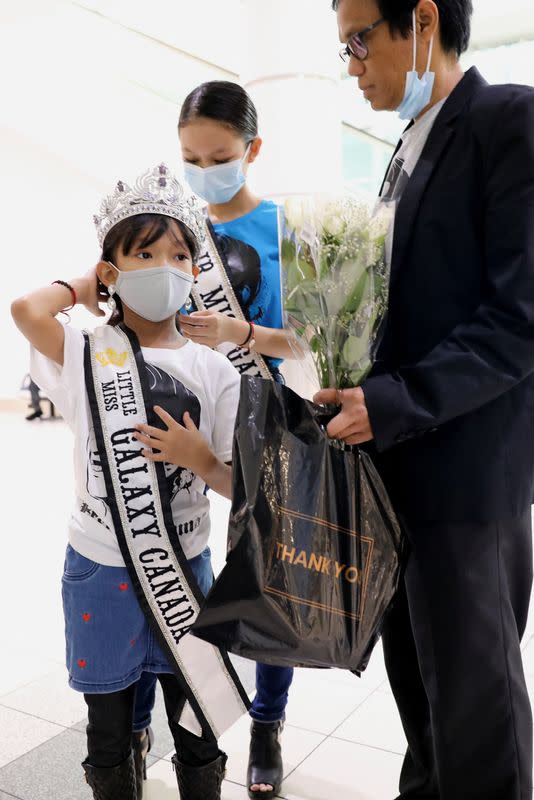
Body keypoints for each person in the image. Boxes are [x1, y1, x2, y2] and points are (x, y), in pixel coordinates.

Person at [315, 1, 534, 798]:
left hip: (468, 485)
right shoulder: (403, 150)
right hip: (400, 481)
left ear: (424, 18)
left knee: (480, 722)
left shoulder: (509, 120)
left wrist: (394, 401)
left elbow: (520, 319)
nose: (353, 64)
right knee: (425, 703)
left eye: (358, 40)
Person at [11, 164, 251, 800]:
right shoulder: (90, 350)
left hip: (184, 567)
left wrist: (200, 461)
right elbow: (25, 309)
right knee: (109, 725)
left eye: (178, 254)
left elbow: (237, 485)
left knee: (197, 721)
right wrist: (83, 285)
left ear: (196, 271)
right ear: (111, 271)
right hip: (99, 566)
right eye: (144, 253)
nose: (165, 267)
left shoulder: (214, 368)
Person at [131, 80, 296, 800]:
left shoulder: (286, 229)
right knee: (172, 562)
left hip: (269, 417)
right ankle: (146, 717)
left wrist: (242, 333)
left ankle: (266, 723)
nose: (204, 168)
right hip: (186, 417)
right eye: (190, 156)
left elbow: (311, 335)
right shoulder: (176, 228)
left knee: (269, 579)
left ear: (251, 150)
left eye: (219, 156)